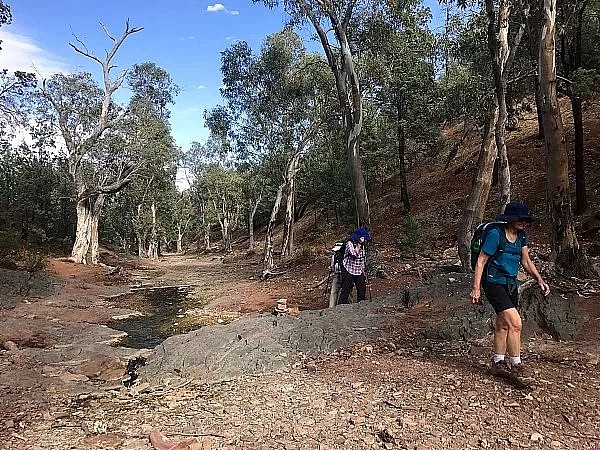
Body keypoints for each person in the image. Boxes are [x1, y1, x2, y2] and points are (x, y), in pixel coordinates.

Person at [469, 201, 550, 378]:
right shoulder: (495, 234)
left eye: (525, 219)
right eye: (520, 219)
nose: (523, 222)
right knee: (516, 323)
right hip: (493, 283)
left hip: (511, 283)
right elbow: (481, 261)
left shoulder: (521, 237)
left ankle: (498, 362)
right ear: (510, 219)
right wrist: (476, 288)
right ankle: (516, 365)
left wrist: (539, 279)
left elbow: (526, 261)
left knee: (503, 325)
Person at [339, 226, 371, 304]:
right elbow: (354, 254)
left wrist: (363, 271)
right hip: (348, 269)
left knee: (362, 290)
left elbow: (362, 258)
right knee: (346, 290)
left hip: (358, 270)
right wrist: (359, 245)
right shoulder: (349, 243)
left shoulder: (364, 245)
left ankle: (361, 307)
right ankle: (340, 307)